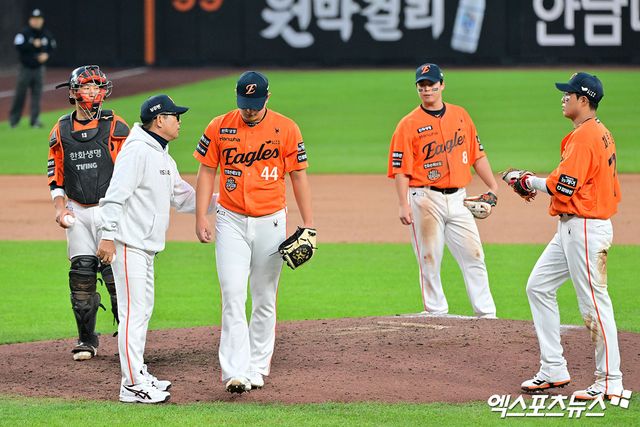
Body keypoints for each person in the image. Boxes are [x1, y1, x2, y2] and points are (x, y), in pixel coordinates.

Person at [194, 71, 315, 394]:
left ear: (267, 98)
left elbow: (298, 176)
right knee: (233, 293)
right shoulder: (219, 126)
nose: (249, 110)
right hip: (230, 220)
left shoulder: (286, 128)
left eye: (255, 104)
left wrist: (308, 223)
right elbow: (207, 170)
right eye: (245, 103)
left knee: (264, 296)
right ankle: (234, 371)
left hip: (271, 222)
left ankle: (257, 366)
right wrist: (201, 215)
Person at [96, 94, 217, 404]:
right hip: (128, 244)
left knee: (142, 312)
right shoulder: (137, 151)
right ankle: (131, 385)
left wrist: (225, 202)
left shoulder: (162, 154)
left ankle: (137, 373)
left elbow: (183, 197)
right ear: (159, 119)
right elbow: (114, 196)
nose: (180, 121)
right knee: (133, 315)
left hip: (145, 247)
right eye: (175, 116)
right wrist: (107, 236)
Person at [516, 73, 624, 400]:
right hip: (572, 227)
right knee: (538, 286)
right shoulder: (595, 131)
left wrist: (526, 181)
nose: (564, 98)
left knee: (594, 304)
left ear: (583, 100)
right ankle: (553, 368)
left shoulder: (586, 136)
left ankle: (610, 381)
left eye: (569, 94)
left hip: (586, 229)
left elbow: (562, 187)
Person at [387, 63, 498, 318]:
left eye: (431, 84)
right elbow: (400, 169)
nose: (427, 89)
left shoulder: (460, 115)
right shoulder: (407, 124)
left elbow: (477, 155)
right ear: (417, 88)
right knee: (429, 259)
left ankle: (487, 315)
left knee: (474, 255)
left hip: (460, 198)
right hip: (425, 199)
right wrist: (403, 204)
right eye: (422, 85)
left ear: (442, 85)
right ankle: (436, 312)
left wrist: (492, 185)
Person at [47, 65, 128, 361]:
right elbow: (55, 174)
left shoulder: (116, 126)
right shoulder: (60, 129)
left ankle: (129, 341)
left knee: (115, 278)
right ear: (74, 92)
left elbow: (128, 172)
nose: (92, 92)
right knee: (81, 277)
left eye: (97, 86)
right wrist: (60, 209)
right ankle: (86, 339)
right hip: (77, 211)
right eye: (86, 86)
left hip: (110, 210)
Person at [10, 8, 56, 128]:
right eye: (34, 19)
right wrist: (31, 44)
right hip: (25, 68)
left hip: (39, 69)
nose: (36, 21)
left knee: (37, 94)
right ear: (30, 20)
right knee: (20, 94)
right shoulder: (24, 33)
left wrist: (46, 55)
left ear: (42, 20)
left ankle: (35, 120)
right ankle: (14, 120)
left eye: (39, 19)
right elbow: (18, 46)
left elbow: (52, 47)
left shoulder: (46, 34)